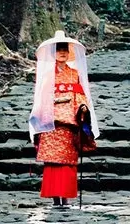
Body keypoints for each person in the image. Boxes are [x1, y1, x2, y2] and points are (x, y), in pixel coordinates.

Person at [28, 30, 99, 206]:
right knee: (53, 161)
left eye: (65, 49)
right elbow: (42, 99)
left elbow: (80, 95)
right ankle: (54, 199)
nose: (62, 52)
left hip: (69, 123)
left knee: (68, 161)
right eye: (59, 49)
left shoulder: (74, 74)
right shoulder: (47, 75)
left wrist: (82, 111)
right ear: (53, 52)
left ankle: (65, 198)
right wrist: (49, 115)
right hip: (51, 124)